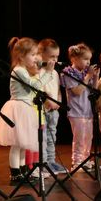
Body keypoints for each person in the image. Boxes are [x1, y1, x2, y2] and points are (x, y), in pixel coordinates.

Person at [0, 37, 55, 184]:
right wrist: (47, 72)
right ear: (21, 56)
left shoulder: (24, 70)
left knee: (23, 145)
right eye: (32, 55)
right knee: (17, 145)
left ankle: (23, 171)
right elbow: (34, 85)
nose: (35, 58)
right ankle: (15, 174)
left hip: (26, 108)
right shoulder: (19, 70)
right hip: (18, 108)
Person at [60, 43, 99, 171]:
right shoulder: (68, 73)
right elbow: (77, 91)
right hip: (76, 112)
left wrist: (96, 76)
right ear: (74, 59)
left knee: (88, 138)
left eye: (89, 59)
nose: (88, 62)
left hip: (88, 111)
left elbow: (94, 90)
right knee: (79, 139)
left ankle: (85, 160)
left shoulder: (86, 73)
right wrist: (88, 76)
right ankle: (77, 163)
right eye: (85, 59)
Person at [38, 38, 66, 174]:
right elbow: (40, 90)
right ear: (41, 54)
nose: (55, 60)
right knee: (42, 138)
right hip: (43, 110)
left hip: (54, 111)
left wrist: (58, 101)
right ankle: (43, 163)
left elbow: (58, 90)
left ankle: (51, 161)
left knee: (52, 137)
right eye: (52, 56)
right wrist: (49, 102)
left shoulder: (55, 73)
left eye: (57, 56)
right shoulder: (38, 71)